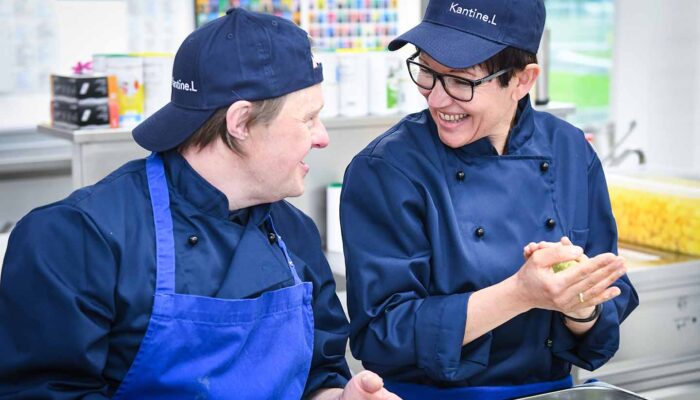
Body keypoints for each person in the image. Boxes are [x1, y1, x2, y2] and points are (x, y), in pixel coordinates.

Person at [0, 8, 399, 400]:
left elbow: (318, 374)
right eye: (309, 119)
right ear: (240, 122)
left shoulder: (294, 232)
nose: (323, 137)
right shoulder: (77, 237)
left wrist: (340, 397)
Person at [339, 0, 639, 399]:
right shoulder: (387, 168)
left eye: (461, 81)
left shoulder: (570, 150)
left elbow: (607, 302)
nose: (437, 100)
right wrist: (518, 294)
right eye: (427, 71)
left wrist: (579, 306)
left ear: (522, 79)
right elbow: (380, 334)